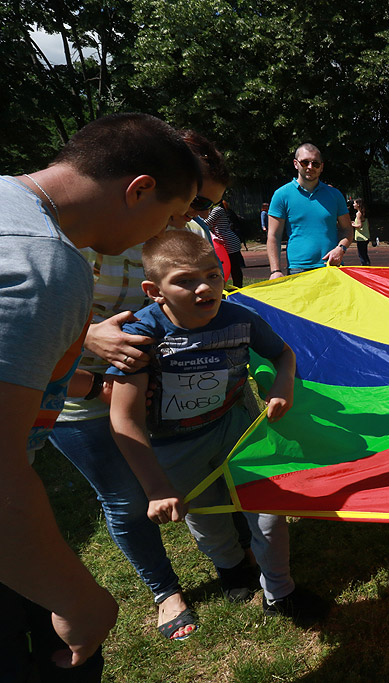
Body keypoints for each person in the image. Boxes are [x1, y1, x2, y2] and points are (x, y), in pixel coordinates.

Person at [0, 113, 200, 678]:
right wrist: (81, 602)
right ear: (138, 190)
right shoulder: (44, 264)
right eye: (167, 216)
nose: (159, 236)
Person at [48, 130, 232, 644]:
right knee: (126, 498)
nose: (193, 218)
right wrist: (88, 340)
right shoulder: (74, 234)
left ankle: (222, 544)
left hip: (150, 392)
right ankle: (165, 590)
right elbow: (25, 326)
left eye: (206, 207)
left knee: (176, 474)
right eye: (191, 201)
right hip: (76, 397)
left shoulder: (174, 231)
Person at [107, 230, 326, 622]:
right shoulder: (142, 336)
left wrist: (283, 383)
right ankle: (230, 568)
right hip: (176, 447)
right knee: (206, 516)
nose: (204, 288)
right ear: (154, 290)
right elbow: (124, 415)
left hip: (237, 431)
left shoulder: (240, 319)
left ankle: (280, 590)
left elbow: (283, 354)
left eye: (212, 275)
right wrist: (156, 486)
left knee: (268, 511)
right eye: (185, 280)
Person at [267, 143, 353, 279]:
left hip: (332, 268)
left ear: (322, 167)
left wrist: (341, 249)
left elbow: (347, 229)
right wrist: (275, 270)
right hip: (298, 270)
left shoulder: (335, 195)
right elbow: (273, 236)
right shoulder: (281, 195)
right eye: (305, 162)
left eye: (315, 164)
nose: (310, 167)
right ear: (296, 164)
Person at [207, 199, 245, 287]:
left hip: (228, 241)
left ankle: (238, 286)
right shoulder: (218, 209)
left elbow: (207, 223)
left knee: (234, 266)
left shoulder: (217, 210)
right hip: (227, 240)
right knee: (234, 266)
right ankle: (238, 286)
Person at [351, 197, 374, 266]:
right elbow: (365, 224)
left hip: (361, 237)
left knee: (361, 254)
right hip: (365, 236)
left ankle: (364, 266)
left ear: (358, 204)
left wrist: (352, 225)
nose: (353, 205)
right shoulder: (363, 212)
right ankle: (367, 265)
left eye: (354, 203)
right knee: (364, 253)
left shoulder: (358, 214)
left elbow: (359, 225)